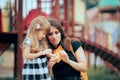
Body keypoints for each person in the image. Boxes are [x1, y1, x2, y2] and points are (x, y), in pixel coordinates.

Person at [21, 16, 54, 80]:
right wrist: (42, 52)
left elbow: (42, 55)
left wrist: (51, 55)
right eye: (43, 33)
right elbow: (26, 56)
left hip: (42, 72)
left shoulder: (41, 42)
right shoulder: (29, 41)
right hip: (32, 73)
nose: (44, 36)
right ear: (37, 30)